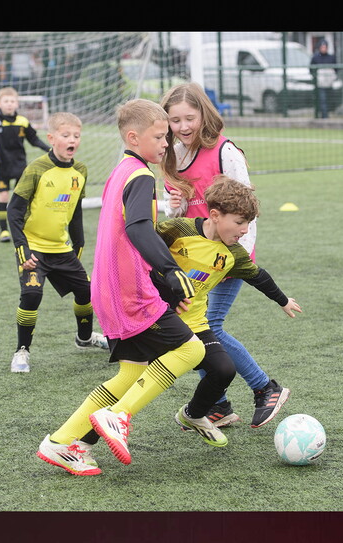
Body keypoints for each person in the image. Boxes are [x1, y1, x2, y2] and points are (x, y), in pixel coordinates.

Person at [36, 99, 205, 476]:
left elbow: (129, 236)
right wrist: (170, 270)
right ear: (134, 137)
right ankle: (117, 415)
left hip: (109, 293)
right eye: (159, 136)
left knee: (130, 375)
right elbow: (138, 229)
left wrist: (163, 284)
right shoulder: (142, 176)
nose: (167, 142)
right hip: (129, 295)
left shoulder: (121, 171)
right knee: (191, 349)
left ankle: (61, 443)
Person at [160, 82, 290, 430]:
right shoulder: (171, 153)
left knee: (208, 326)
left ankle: (265, 388)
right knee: (192, 330)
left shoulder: (225, 151)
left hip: (229, 258)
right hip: (196, 259)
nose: (184, 126)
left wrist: (241, 256)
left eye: (190, 117)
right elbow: (178, 218)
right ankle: (218, 405)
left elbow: (247, 208)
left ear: (204, 114)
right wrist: (173, 206)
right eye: (175, 120)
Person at [157, 176, 302, 446]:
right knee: (139, 373)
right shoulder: (176, 229)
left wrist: (282, 300)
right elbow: (142, 249)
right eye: (239, 223)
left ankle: (196, 413)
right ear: (215, 215)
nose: (245, 230)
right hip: (156, 319)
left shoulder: (232, 254)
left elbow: (258, 276)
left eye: (248, 223)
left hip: (194, 325)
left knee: (223, 369)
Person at [5, 112, 109, 373]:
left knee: (87, 292)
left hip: (62, 250)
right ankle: (22, 351)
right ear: (52, 138)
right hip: (34, 249)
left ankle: (84, 339)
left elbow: (75, 211)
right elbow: (14, 211)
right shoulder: (37, 169)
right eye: (65, 135)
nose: (72, 140)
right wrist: (22, 249)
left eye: (76, 135)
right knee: (31, 295)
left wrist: (79, 244)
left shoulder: (80, 171)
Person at [0, 86, 51, 242]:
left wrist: (49, 149)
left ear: (17, 104)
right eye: (6, 101)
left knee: (21, 197)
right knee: (4, 195)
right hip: (2, 166)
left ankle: (22, 228)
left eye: (12, 101)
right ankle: (4, 230)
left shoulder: (22, 122)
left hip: (20, 165)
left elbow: (34, 140)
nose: (9, 104)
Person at [310, 40, 337, 119]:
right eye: (322, 47)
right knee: (322, 99)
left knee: (329, 100)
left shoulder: (331, 57)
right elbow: (311, 70)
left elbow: (336, 69)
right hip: (320, 84)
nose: (323, 48)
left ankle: (327, 114)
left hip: (330, 83)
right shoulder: (315, 58)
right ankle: (324, 116)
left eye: (325, 47)